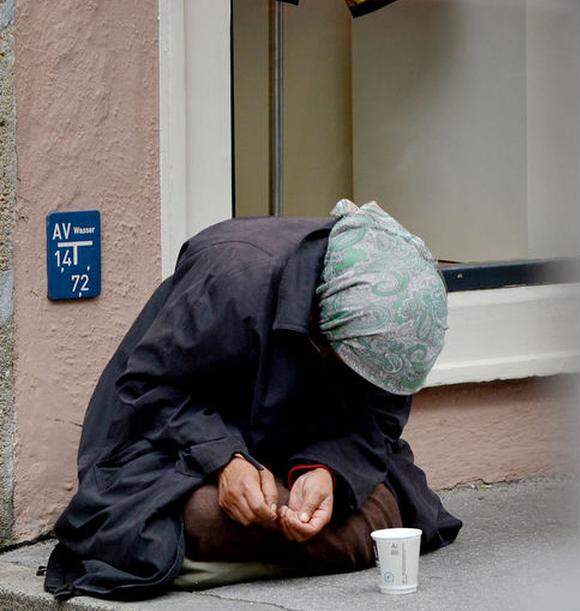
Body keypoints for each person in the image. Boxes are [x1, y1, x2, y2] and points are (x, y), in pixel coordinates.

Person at [44, 200, 462, 601]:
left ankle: (213, 562)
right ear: (323, 324)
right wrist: (225, 460)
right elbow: (149, 390)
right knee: (202, 517)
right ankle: (223, 551)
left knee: (382, 514)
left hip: (294, 452)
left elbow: (378, 421)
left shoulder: (386, 331)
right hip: (177, 453)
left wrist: (328, 471)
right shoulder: (232, 274)